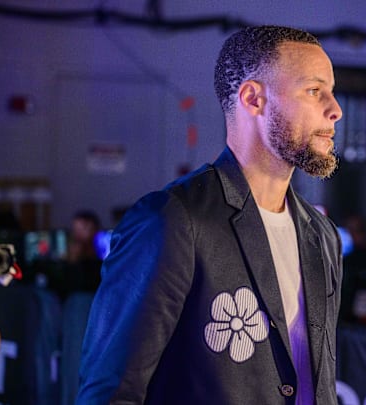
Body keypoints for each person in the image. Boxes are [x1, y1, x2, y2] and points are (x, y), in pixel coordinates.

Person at [77, 25, 344, 404]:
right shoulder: (172, 220)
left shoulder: (322, 235)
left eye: (331, 93)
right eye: (315, 91)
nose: (335, 110)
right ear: (254, 99)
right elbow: (112, 392)